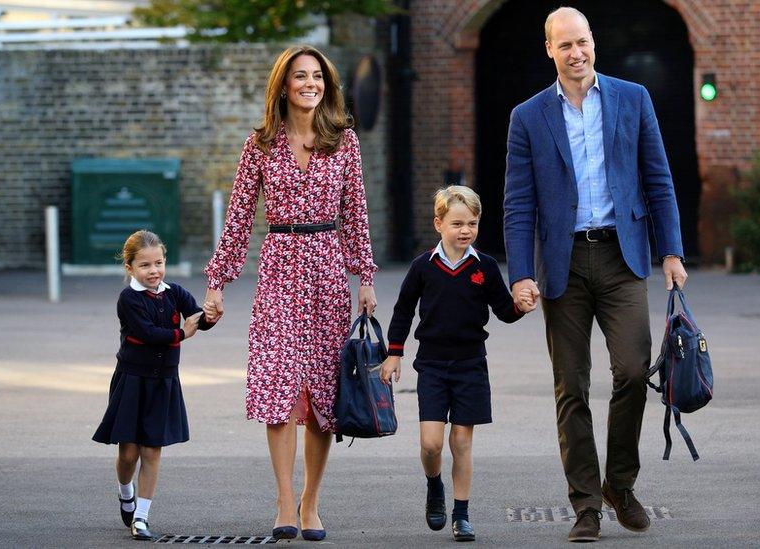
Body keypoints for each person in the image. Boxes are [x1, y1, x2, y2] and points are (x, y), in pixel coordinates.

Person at [502, 7, 689, 543]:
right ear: (549, 50)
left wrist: (671, 251)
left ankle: (620, 485)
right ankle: (585, 504)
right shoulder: (528, 116)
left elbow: (659, 179)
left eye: (581, 42)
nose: (575, 53)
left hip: (622, 256)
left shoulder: (633, 98)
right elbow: (518, 205)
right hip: (561, 265)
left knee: (633, 371)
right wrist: (520, 275)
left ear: (593, 43)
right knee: (572, 388)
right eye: (564, 46)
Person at [202, 45, 378, 542]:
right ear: (283, 84)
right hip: (279, 268)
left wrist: (364, 276)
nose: (310, 84)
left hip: (326, 269)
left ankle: (310, 502)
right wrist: (217, 282)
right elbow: (238, 220)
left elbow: (356, 216)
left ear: (327, 84)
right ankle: (283, 500)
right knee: (278, 387)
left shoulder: (343, 142)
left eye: (317, 76)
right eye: (300, 76)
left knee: (323, 392)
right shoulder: (258, 144)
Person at [379, 185, 535, 542]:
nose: (465, 231)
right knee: (432, 443)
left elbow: (503, 310)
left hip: (470, 365)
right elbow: (404, 310)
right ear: (439, 224)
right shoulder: (423, 266)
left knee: (462, 442)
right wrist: (394, 352)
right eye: (457, 223)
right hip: (432, 365)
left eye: (473, 223)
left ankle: (461, 514)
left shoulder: (485, 267)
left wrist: (520, 307)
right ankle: (434, 485)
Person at [92, 230, 215, 541]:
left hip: (164, 382)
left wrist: (210, 316)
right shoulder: (129, 299)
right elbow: (145, 333)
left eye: (158, 263)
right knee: (128, 454)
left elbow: (196, 316)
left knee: (152, 451)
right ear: (130, 267)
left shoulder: (175, 292)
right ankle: (125, 492)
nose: (154, 271)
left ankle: (142, 517)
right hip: (132, 380)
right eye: (145, 265)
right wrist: (182, 334)